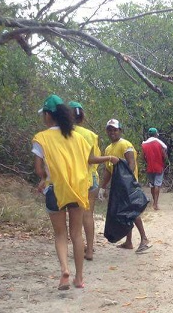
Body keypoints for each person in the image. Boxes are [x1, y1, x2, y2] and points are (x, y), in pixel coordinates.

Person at [33, 95, 118, 290]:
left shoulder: (41, 138)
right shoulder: (80, 138)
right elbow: (89, 160)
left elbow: (39, 169)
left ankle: (64, 271)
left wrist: (44, 178)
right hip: (78, 190)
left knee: (60, 234)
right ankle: (79, 278)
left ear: (48, 115)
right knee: (76, 234)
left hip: (55, 190)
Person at [100, 119, 152, 253]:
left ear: (120, 131)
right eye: (109, 130)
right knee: (124, 213)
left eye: (115, 130)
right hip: (118, 187)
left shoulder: (125, 144)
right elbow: (108, 170)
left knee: (131, 212)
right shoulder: (108, 149)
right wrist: (103, 186)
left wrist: (127, 182)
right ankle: (128, 242)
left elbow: (131, 163)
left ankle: (144, 239)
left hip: (128, 186)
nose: (112, 132)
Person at [68, 101, 102, 261]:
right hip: (89, 179)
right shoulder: (90, 135)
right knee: (88, 214)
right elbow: (93, 159)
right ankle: (89, 250)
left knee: (73, 215)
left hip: (71, 181)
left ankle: (77, 246)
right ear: (82, 116)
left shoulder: (63, 133)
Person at [141, 128, 167, 210]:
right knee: (157, 185)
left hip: (149, 167)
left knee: (152, 184)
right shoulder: (159, 143)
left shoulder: (144, 144)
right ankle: (155, 203)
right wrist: (165, 160)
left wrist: (147, 162)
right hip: (159, 167)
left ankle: (153, 201)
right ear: (156, 134)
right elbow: (164, 156)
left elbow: (142, 157)